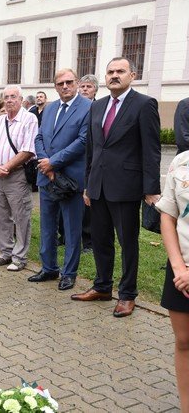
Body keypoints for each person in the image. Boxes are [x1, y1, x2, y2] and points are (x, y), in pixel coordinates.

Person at [72, 57, 161, 318]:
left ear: (132, 75)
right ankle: (102, 287)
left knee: (127, 243)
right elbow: (92, 149)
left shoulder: (144, 104)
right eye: (110, 71)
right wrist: (87, 185)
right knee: (100, 240)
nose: (114, 75)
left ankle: (127, 294)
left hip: (126, 187)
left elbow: (152, 150)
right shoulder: (97, 106)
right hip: (98, 186)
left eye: (120, 71)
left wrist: (151, 188)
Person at [30, 69, 91, 291]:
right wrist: (44, 162)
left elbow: (83, 141)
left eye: (69, 82)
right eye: (60, 83)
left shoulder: (88, 107)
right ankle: (49, 268)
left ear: (77, 83)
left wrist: (53, 163)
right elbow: (39, 137)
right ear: (55, 86)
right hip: (46, 177)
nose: (65, 86)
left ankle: (69, 273)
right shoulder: (50, 107)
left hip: (70, 180)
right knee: (47, 226)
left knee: (72, 229)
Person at [0, 85, 39, 270]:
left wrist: (6, 167)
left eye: (13, 97)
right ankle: (5, 252)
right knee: (0, 215)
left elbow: (28, 149)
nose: (9, 100)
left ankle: (19, 257)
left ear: (21, 99)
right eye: (6, 97)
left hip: (16, 175)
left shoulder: (29, 119)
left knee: (21, 215)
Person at [155, 154, 189, 413]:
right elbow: (168, 216)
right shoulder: (181, 162)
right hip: (181, 271)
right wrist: (178, 266)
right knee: (184, 341)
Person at [78, 75, 99, 252]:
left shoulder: (99, 107)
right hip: (74, 160)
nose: (85, 89)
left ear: (95, 90)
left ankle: (88, 241)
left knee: (88, 203)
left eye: (89, 86)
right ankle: (66, 235)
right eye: (83, 86)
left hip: (91, 161)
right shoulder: (74, 107)